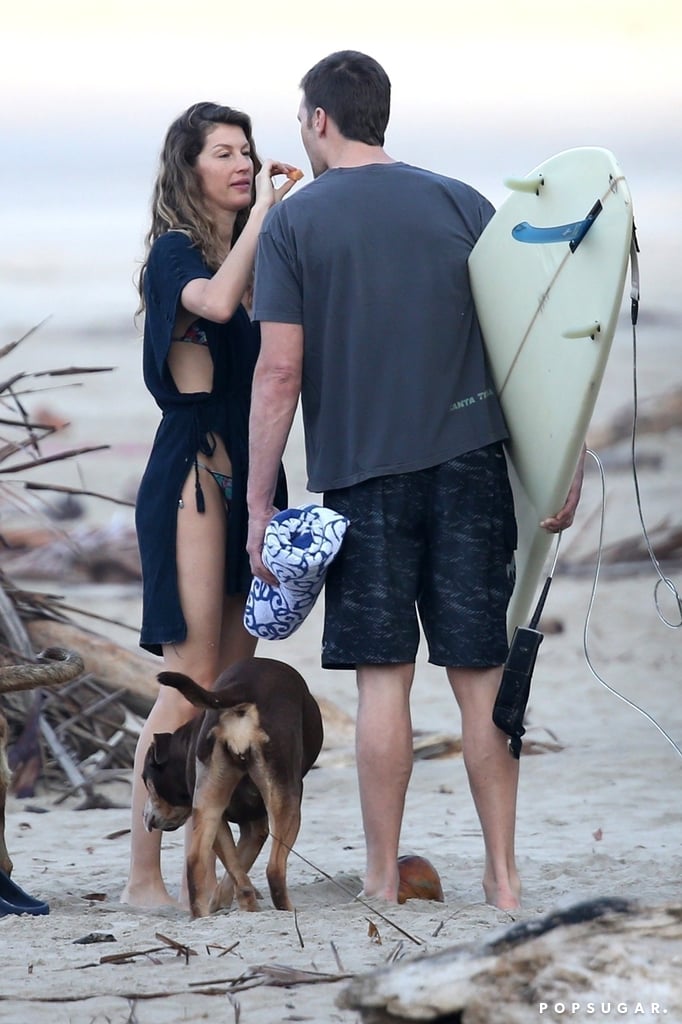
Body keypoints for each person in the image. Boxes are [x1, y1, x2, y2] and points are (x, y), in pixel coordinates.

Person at [245, 52, 584, 911]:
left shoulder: (295, 224)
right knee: (481, 680)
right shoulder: (461, 201)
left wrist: (260, 500)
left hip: (366, 479)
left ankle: (377, 877)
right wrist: (566, 452)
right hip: (472, 465)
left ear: (320, 120)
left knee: (383, 680)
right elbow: (532, 338)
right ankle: (504, 881)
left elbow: (279, 373)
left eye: (300, 122)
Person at [121, 102, 295, 907]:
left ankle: (211, 863)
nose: (241, 162)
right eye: (223, 152)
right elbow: (215, 306)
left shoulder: (253, 254)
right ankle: (142, 877)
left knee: (235, 682)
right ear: (188, 168)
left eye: (248, 152)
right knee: (188, 674)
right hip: (191, 469)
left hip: (251, 473)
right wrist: (265, 210)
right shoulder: (175, 252)